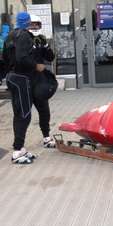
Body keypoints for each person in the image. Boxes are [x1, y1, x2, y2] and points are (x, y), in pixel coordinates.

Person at [3, 12, 50, 164]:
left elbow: (5, 57)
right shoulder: (24, 35)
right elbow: (21, 57)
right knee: (24, 114)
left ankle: (20, 148)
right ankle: (17, 151)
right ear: (28, 22)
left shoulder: (11, 35)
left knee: (21, 113)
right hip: (21, 78)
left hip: (12, 77)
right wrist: (36, 65)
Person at [28, 14, 57, 149]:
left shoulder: (40, 39)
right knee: (23, 115)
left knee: (44, 111)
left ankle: (46, 137)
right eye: (32, 24)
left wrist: (46, 46)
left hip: (39, 81)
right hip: (25, 80)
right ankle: (19, 145)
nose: (34, 26)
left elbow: (50, 58)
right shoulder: (22, 38)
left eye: (36, 24)